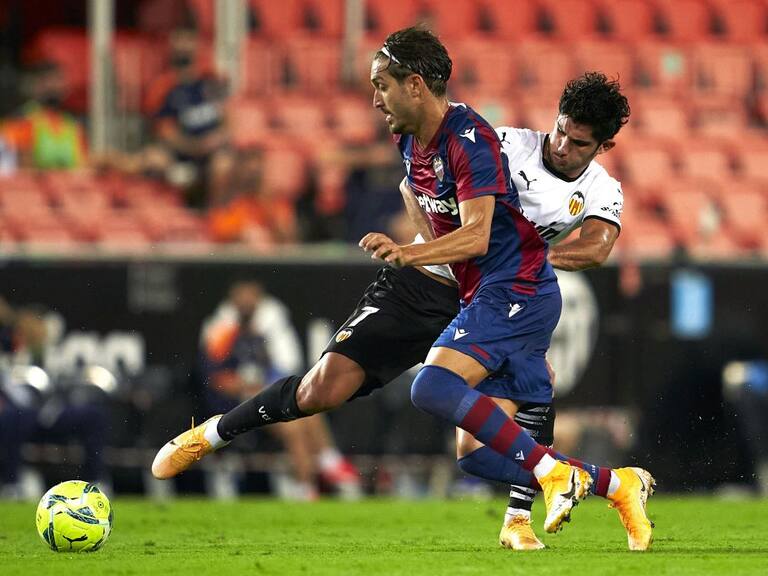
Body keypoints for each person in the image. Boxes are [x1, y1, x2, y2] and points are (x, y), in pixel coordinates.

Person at [151, 32, 653, 549]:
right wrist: (432, 247)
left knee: (482, 448)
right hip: (429, 285)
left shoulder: (599, 188)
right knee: (320, 389)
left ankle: (522, 516)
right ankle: (211, 433)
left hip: (497, 292)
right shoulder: (499, 144)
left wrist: (523, 263)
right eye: (562, 133)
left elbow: (595, 248)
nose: (565, 147)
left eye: (580, 144)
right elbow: (411, 188)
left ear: (603, 147)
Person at [200, 280, 360, 499]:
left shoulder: (264, 330)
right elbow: (215, 380)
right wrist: (248, 387)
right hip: (234, 403)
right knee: (292, 425)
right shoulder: (222, 332)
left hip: (262, 394)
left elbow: (282, 369)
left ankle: (327, 463)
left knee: (308, 413)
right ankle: (307, 485)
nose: (247, 304)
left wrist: (262, 387)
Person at [143, 26, 235, 208]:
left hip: (211, 152)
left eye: (188, 40)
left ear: (197, 44)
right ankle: (164, 215)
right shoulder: (161, 87)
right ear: (171, 44)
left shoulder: (212, 79)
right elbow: (164, 133)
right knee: (154, 160)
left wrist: (219, 138)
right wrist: (196, 146)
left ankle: (216, 217)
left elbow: (229, 119)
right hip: (179, 151)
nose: (183, 46)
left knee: (224, 165)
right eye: (179, 39)